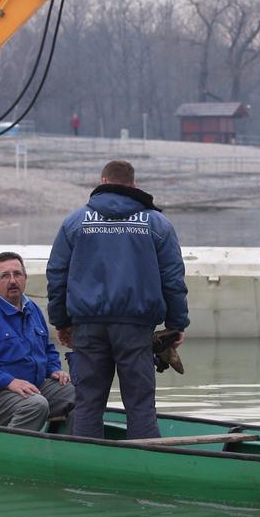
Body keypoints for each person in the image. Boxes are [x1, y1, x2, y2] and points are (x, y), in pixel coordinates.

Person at [46, 159, 189, 439]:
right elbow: (172, 277)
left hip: (87, 326)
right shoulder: (156, 224)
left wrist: (61, 321)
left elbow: (57, 274)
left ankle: (86, 469)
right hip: (135, 327)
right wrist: (176, 323)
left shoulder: (75, 222)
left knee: (88, 402)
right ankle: (145, 468)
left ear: (102, 182)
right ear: (133, 186)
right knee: (140, 405)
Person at [0, 251, 74, 430]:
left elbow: (47, 348)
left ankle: (73, 450)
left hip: (29, 386)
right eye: (5, 276)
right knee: (35, 405)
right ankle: (11, 454)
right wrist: (9, 382)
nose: (12, 280)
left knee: (82, 394)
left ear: (25, 278)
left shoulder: (32, 309)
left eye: (17, 274)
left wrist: (54, 370)